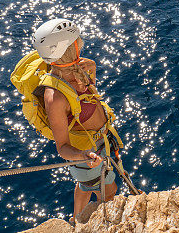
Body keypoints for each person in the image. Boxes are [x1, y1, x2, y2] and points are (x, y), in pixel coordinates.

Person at [32, 18, 118, 223]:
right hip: (87, 155)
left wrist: (93, 70)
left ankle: (76, 218)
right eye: (77, 41)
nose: (81, 42)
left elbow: (88, 101)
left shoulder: (79, 68)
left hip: (97, 145)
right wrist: (83, 155)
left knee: (85, 185)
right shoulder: (55, 97)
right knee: (110, 190)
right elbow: (62, 147)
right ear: (69, 48)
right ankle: (92, 222)